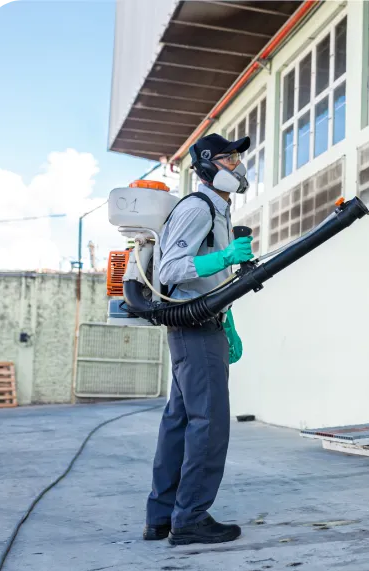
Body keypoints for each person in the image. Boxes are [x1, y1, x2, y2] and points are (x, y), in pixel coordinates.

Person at [143, 133, 254, 546]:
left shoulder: (217, 209)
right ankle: (189, 518)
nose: (237, 167)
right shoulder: (199, 206)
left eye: (238, 159)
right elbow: (171, 270)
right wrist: (225, 257)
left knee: (180, 421)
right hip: (194, 329)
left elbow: (211, 281)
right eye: (228, 159)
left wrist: (229, 324)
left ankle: (161, 518)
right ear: (208, 165)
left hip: (202, 324)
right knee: (209, 425)